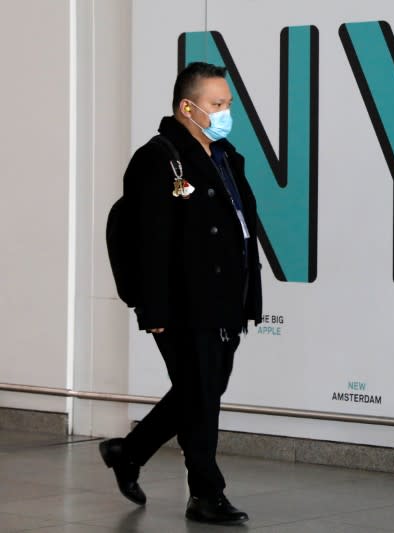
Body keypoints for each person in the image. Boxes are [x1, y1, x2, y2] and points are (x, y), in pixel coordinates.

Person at [99, 62, 262, 525]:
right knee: (202, 396)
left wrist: (249, 296)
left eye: (228, 104)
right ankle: (206, 493)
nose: (225, 112)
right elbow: (148, 240)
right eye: (216, 105)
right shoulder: (159, 158)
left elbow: (242, 232)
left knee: (200, 392)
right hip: (181, 303)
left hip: (226, 299)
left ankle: (128, 452)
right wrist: (152, 306)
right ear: (187, 106)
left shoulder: (228, 158)